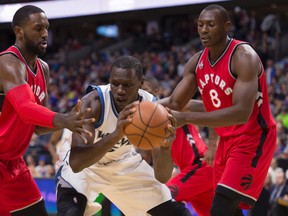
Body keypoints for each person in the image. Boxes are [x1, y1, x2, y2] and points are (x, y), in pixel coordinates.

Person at [159, 4, 276, 216]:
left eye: (211, 25)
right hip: (226, 140)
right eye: (200, 25)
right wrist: (143, 105)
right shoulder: (196, 62)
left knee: (221, 207)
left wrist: (186, 118)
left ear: (226, 26)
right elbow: (176, 102)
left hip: (253, 137)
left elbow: (241, 112)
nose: (204, 30)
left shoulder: (243, 56)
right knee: (227, 211)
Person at [57, 55, 191, 216]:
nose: (120, 90)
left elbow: (162, 177)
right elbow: (77, 163)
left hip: (123, 162)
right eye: (115, 84)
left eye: (127, 85)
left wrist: (165, 148)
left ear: (141, 83)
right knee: (70, 213)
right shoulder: (93, 103)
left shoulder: (151, 108)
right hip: (86, 167)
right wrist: (115, 135)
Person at [0, 5, 94, 216]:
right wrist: (64, 119)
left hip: (13, 163)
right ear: (19, 31)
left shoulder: (43, 68)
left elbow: (34, 125)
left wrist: (71, 121)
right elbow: (25, 108)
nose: (45, 34)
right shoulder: (8, 62)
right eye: (38, 28)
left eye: (47, 28)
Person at [142, 77, 216, 216]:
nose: (141, 95)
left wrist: (213, 145)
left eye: (144, 90)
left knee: (160, 201)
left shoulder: (173, 106)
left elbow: (209, 108)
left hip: (201, 165)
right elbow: (160, 172)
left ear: (156, 91)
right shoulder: (148, 124)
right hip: (190, 173)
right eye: (138, 92)